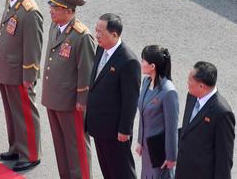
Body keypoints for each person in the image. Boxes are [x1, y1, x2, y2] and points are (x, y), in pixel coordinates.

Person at [0, 0, 43, 172]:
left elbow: (33, 48)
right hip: (6, 69)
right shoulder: (12, 1)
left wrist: (29, 77)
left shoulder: (30, 12)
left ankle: (30, 153)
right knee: (12, 112)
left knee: (24, 114)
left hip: (19, 73)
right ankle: (16, 147)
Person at [41, 0, 96, 179]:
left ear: (69, 11)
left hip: (71, 102)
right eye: (51, 6)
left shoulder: (81, 36)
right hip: (54, 98)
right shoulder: (55, 27)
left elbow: (86, 71)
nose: (51, 11)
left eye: (56, 8)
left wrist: (82, 100)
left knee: (77, 146)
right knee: (60, 144)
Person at [86, 13, 141, 179]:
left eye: (101, 32)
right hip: (99, 126)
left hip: (115, 131)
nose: (97, 35)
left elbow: (130, 100)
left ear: (115, 34)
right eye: (96, 30)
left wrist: (124, 129)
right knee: (107, 170)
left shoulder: (128, 61)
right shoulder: (101, 48)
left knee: (122, 172)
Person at [175, 61, 235, 179]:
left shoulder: (222, 113)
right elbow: (188, 130)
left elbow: (224, 159)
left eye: (190, 80)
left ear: (201, 86)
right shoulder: (192, 96)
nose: (187, 83)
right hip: (183, 172)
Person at [135, 46, 179, 179]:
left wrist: (171, 157)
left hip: (160, 151)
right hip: (147, 148)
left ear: (152, 66)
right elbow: (142, 115)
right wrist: (140, 141)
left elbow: (172, 128)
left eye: (143, 61)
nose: (141, 63)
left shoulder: (168, 91)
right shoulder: (146, 81)